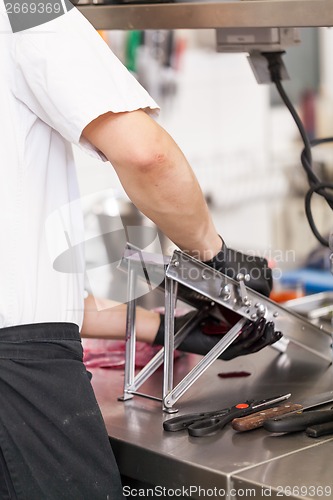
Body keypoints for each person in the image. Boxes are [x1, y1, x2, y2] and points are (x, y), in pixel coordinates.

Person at [0, 2, 279, 498]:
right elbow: (145, 154)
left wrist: (168, 329)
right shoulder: (28, 7)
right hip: (21, 385)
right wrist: (216, 259)